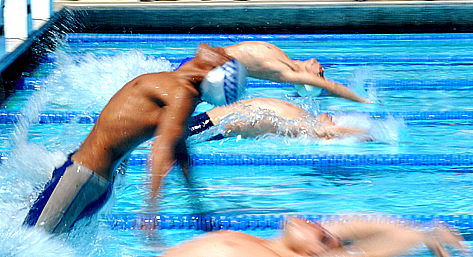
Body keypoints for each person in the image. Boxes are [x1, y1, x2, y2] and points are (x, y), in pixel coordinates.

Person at [23, 44, 242, 234]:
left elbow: (161, 154)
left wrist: (151, 211)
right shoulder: (180, 80)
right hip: (85, 180)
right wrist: (198, 210)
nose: (210, 53)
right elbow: (182, 157)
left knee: (30, 244)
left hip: (81, 180)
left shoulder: (182, 96)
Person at [162, 216, 467, 257]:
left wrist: (421, 237)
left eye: (322, 236)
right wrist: (418, 231)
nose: (319, 225)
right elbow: (351, 224)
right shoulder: (269, 244)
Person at [221, 41, 372, 103]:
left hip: (210, 62)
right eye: (322, 74)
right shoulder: (286, 61)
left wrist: (364, 101)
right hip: (212, 58)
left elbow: (333, 87)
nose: (322, 69)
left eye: (320, 76)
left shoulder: (285, 73)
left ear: (308, 80)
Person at [187, 97, 370, 141]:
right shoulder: (305, 115)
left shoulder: (304, 125)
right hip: (208, 121)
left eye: (335, 121)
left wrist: (371, 135)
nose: (333, 117)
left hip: (209, 125)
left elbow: (326, 132)